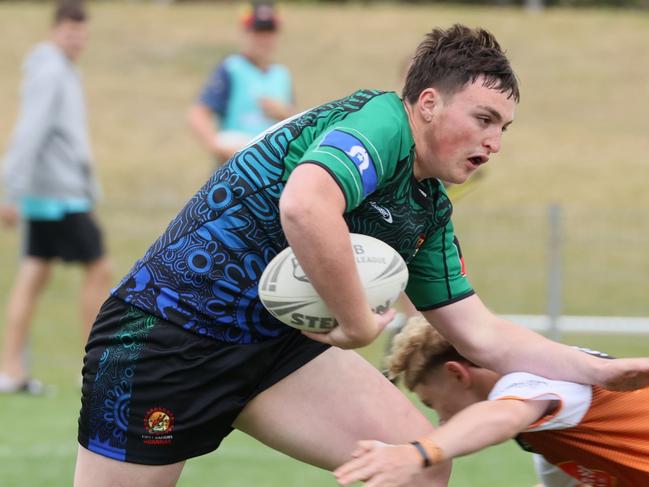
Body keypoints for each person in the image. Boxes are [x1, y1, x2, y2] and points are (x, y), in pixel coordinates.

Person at [74, 24, 649, 487]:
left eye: (503, 127)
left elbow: (483, 337)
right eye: (483, 119)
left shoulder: (427, 208)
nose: (494, 143)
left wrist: (599, 371)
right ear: (427, 103)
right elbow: (305, 203)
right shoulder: (382, 121)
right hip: (169, 336)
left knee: (415, 462)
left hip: (272, 352)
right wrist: (355, 320)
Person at [334, 317, 649, 487]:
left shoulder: (535, 379)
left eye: (432, 404)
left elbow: (503, 415)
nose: (441, 422)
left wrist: (416, 454)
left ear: (457, 373)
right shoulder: (548, 433)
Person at [0, 0, 111, 394]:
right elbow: (30, 131)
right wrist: (9, 189)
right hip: (59, 195)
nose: (76, 38)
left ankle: (11, 371)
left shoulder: (61, 68)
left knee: (34, 272)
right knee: (99, 267)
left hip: (51, 193)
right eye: (69, 31)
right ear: (55, 29)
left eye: (81, 32)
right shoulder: (49, 69)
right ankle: (95, 367)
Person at [187, 1, 295, 165]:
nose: (263, 39)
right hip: (235, 169)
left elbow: (295, 123)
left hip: (270, 169)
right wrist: (217, 146)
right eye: (258, 31)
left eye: (269, 31)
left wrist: (284, 114)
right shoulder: (232, 69)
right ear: (245, 33)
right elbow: (198, 114)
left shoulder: (282, 75)